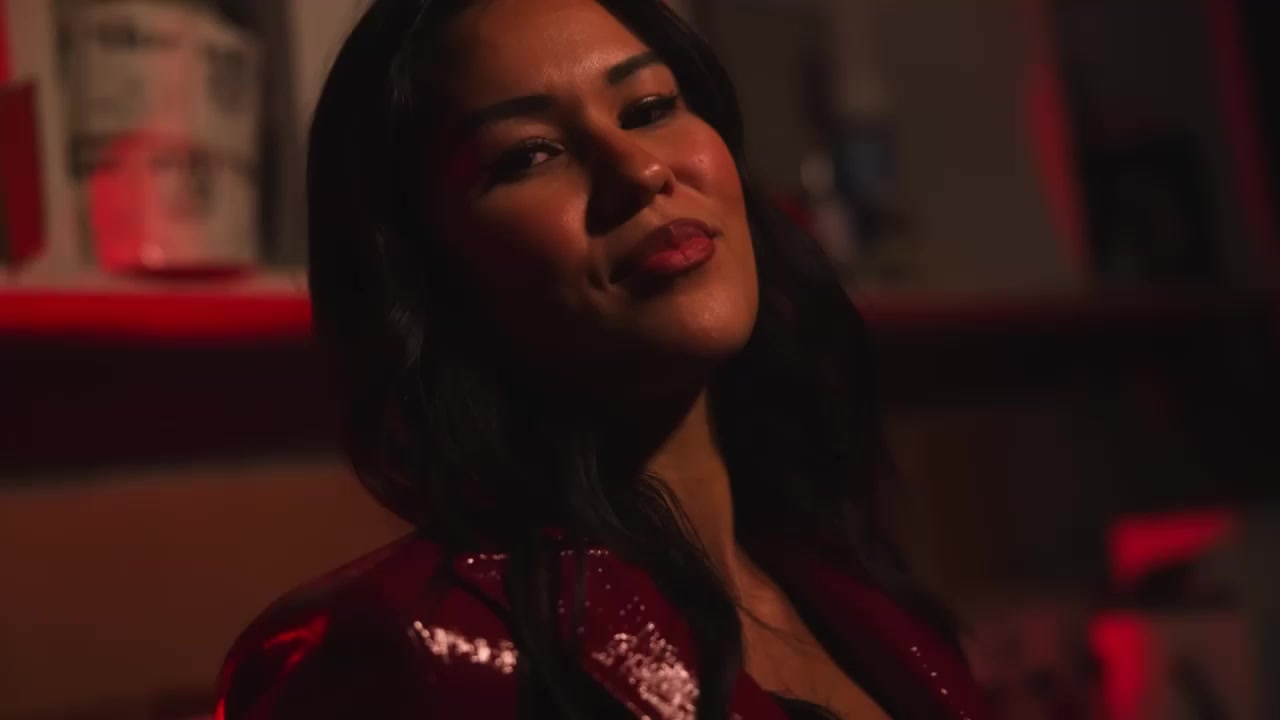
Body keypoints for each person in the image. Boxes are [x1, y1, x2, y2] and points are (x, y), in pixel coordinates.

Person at [214, 1, 989, 718]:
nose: (640, 171)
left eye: (649, 109)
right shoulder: (401, 650)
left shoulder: (841, 575)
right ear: (425, 272)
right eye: (530, 154)